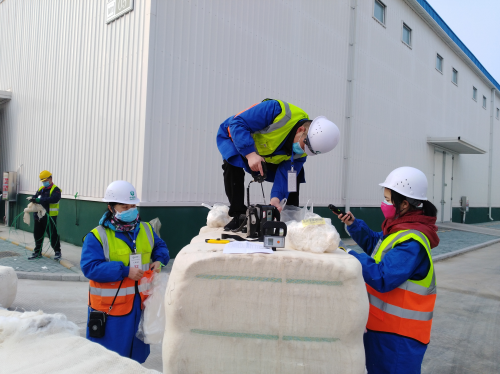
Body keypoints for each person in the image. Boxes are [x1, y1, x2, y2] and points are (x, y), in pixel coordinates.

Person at [336, 166, 439, 374]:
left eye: (387, 198)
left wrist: (348, 254)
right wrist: (355, 225)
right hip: (383, 331)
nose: (383, 203)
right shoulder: (400, 227)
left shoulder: (412, 242)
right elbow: (379, 246)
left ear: (404, 203)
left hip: (399, 339)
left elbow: (383, 276)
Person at [81, 180, 170, 363]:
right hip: (111, 313)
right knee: (108, 361)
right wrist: (123, 271)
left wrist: (160, 261)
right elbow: (90, 267)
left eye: (133, 205)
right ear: (111, 207)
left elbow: (161, 247)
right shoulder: (97, 236)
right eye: (124, 206)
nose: (130, 210)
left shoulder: (146, 229)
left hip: (139, 308)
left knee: (135, 359)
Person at [217, 98, 340, 230]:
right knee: (232, 163)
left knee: (295, 174)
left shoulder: (303, 150)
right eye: (304, 145)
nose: (303, 151)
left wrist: (276, 198)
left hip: (267, 153)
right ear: (300, 130)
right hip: (237, 137)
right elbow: (238, 123)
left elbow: (286, 175)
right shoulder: (275, 110)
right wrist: (250, 154)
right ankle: (238, 214)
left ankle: (289, 213)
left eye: (308, 151)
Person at [28, 170, 62, 260]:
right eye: (42, 181)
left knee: (52, 234)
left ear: (50, 179)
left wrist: (40, 200)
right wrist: (33, 199)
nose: (44, 182)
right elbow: (36, 197)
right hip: (38, 216)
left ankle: (57, 252)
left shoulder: (56, 189)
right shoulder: (40, 189)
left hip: (49, 216)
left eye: (45, 180)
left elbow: (54, 199)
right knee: (37, 234)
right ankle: (37, 252)